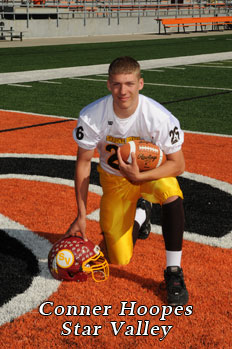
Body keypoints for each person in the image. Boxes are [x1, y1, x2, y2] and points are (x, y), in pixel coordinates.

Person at [66, 56, 189, 306]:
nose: (123, 91)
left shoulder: (158, 116)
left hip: (148, 177)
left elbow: (178, 165)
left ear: (140, 83)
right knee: (118, 258)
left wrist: (140, 176)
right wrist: (81, 214)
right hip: (114, 182)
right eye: (117, 84)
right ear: (108, 84)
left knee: (171, 192)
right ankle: (141, 214)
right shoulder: (92, 116)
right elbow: (82, 164)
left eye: (130, 84)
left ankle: (174, 272)